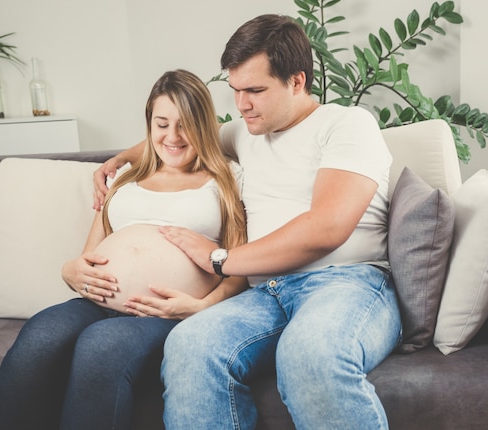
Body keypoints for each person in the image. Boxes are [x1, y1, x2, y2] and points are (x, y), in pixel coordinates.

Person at [94, 14, 402, 430]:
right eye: (236, 90)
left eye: (255, 90)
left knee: (309, 353)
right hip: (264, 294)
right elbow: (178, 136)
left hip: (347, 282)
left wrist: (222, 259)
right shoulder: (245, 132)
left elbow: (327, 228)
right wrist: (120, 160)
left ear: (297, 81)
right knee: (189, 344)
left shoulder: (346, 125)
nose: (241, 105)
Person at [0, 69, 248, 430]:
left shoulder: (226, 178)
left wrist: (199, 307)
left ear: (203, 125)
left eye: (184, 124)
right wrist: (70, 270)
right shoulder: (125, 177)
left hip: (165, 313)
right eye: (161, 124)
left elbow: (239, 266)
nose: (172, 137)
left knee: (101, 347)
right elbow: (88, 255)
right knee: (39, 336)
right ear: (149, 125)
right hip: (97, 302)